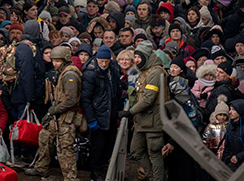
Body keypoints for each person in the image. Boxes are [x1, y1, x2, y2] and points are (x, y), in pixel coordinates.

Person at [25, 46, 82, 181]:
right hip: (58, 115)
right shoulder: (62, 72)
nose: (54, 63)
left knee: (64, 149)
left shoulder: (70, 75)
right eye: (53, 61)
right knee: (44, 136)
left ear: (65, 60)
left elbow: (71, 100)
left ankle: (70, 177)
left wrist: (53, 111)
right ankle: (41, 167)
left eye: (57, 61)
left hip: (66, 117)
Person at [120, 42, 166, 181]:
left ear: (146, 56)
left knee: (154, 153)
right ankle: (151, 176)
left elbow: (148, 99)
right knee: (136, 150)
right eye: (136, 57)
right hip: (141, 120)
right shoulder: (144, 71)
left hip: (153, 121)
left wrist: (130, 112)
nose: (137, 60)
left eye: (139, 57)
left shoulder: (156, 72)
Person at [81, 45, 123, 181]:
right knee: (97, 146)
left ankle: (104, 167)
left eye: (106, 61)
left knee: (109, 143)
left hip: (111, 111)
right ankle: (95, 170)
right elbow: (85, 99)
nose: (104, 64)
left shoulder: (113, 68)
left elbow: (115, 86)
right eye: (101, 61)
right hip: (98, 113)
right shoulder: (91, 72)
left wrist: (127, 87)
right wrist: (91, 119)